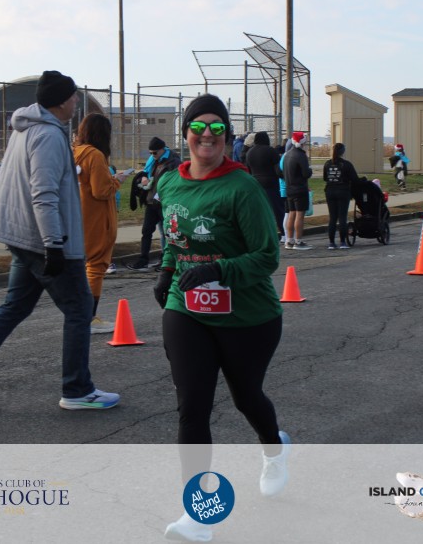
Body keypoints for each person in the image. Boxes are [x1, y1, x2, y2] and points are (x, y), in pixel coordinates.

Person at [0, 70, 119, 412]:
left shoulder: (27, 129)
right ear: (62, 101)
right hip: (42, 238)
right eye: (73, 96)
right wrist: (54, 244)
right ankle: (77, 389)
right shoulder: (47, 135)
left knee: (15, 306)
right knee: (80, 308)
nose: (76, 101)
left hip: (22, 233)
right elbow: (43, 193)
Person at [152, 94, 289, 542]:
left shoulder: (241, 188)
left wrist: (218, 270)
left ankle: (274, 450)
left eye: (216, 128)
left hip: (248, 314)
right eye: (198, 127)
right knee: (192, 408)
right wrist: (168, 270)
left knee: (247, 397)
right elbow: (175, 237)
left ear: (228, 137)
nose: (206, 135)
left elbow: (267, 255)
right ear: (186, 134)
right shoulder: (170, 182)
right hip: (187, 306)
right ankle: (198, 514)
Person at [73, 113, 130, 335]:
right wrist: (118, 180)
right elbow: (101, 190)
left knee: (82, 268)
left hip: (78, 217)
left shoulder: (75, 152)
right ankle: (89, 318)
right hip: (96, 219)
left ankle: (80, 315)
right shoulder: (95, 155)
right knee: (96, 267)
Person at [127, 136, 180, 271]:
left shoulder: (173, 161)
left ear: (162, 149)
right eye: (150, 153)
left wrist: (162, 197)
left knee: (167, 233)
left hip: (164, 203)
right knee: (146, 231)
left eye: (154, 152)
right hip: (151, 202)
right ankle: (143, 259)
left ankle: (166, 261)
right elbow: (147, 172)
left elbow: (174, 182)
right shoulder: (153, 160)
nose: (152, 155)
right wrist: (144, 177)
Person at [245, 131, 285, 242]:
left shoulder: (250, 152)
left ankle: (259, 233)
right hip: (271, 182)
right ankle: (283, 233)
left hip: (255, 183)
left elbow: (248, 170)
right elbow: (278, 170)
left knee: (259, 210)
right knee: (277, 209)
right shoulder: (270, 151)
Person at [323, 143, 359, 249]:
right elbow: (355, 179)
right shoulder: (347, 164)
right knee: (342, 217)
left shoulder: (327, 164)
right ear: (343, 152)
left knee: (332, 217)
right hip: (343, 191)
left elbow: (325, 178)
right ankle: (342, 242)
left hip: (330, 191)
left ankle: (331, 243)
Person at [281, 131, 313, 250]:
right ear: (302, 143)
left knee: (291, 214)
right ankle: (298, 242)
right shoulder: (301, 155)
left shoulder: (287, 155)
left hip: (289, 188)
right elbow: (306, 173)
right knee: (300, 215)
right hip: (300, 188)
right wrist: (310, 170)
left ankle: (289, 240)